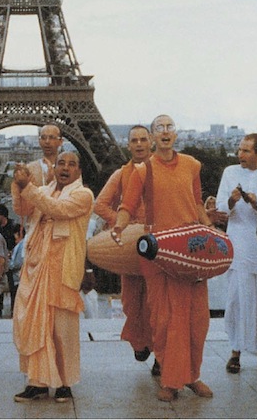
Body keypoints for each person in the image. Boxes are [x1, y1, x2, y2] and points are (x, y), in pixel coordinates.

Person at [112, 114, 213, 403]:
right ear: (154, 136)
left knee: (196, 320)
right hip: (159, 251)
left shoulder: (192, 165)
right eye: (160, 128)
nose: (165, 132)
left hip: (190, 250)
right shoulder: (143, 171)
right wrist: (119, 226)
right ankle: (170, 379)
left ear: (176, 134)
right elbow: (127, 205)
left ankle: (192, 376)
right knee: (165, 319)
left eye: (170, 127)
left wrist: (210, 229)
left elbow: (196, 202)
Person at [11, 149, 93, 403]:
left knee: (62, 329)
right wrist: (19, 183)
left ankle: (65, 383)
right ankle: (37, 382)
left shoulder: (83, 195)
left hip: (63, 267)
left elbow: (58, 210)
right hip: (36, 265)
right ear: (54, 168)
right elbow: (22, 208)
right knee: (34, 324)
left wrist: (29, 188)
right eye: (61, 163)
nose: (65, 168)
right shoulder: (43, 190)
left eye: (71, 164)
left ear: (79, 170)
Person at [93, 125, 155, 369]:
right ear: (128, 145)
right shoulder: (121, 174)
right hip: (132, 242)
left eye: (143, 139)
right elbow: (100, 205)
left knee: (157, 301)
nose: (139, 144)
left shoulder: (163, 172)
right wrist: (124, 225)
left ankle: (160, 353)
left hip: (158, 240)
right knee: (131, 299)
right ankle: (140, 340)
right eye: (134, 140)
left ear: (151, 142)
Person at [216, 133, 257, 374]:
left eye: (246, 151)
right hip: (238, 246)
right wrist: (232, 201)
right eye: (239, 150)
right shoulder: (230, 172)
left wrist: (256, 203)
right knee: (236, 301)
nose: (240, 155)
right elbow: (220, 209)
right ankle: (235, 352)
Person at [26, 123, 63, 187]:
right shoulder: (29, 169)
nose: (47, 141)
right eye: (43, 138)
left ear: (61, 141)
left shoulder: (69, 169)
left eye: (51, 138)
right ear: (39, 141)